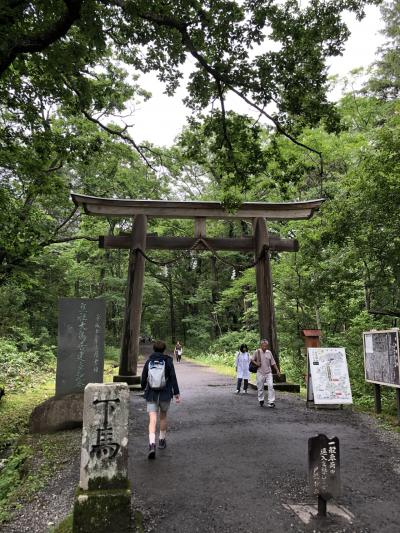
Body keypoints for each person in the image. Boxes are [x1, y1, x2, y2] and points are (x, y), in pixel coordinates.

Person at [141, 340, 180, 459]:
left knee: (152, 419)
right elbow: (173, 377)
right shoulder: (168, 361)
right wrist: (176, 393)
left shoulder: (149, 361)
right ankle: (162, 440)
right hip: (165, 394)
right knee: (163, 416)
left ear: (154, 349)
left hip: (152, 394)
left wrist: (144, 388)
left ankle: (151, 444)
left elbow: (144, 377)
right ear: (164, 349)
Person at [251, 339, 280, 408]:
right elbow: (252, 359)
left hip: (268, 373)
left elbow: (273, 362)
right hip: (260, 372)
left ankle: (271, 402)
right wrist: (256, 363)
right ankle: (261, 399)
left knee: (271, 386)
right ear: (261, 345)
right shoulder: (257, 352)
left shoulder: (269, 352)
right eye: (263, 346)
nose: (264, 347)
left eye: (266, 346)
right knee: (260, 387)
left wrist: (277, 370)